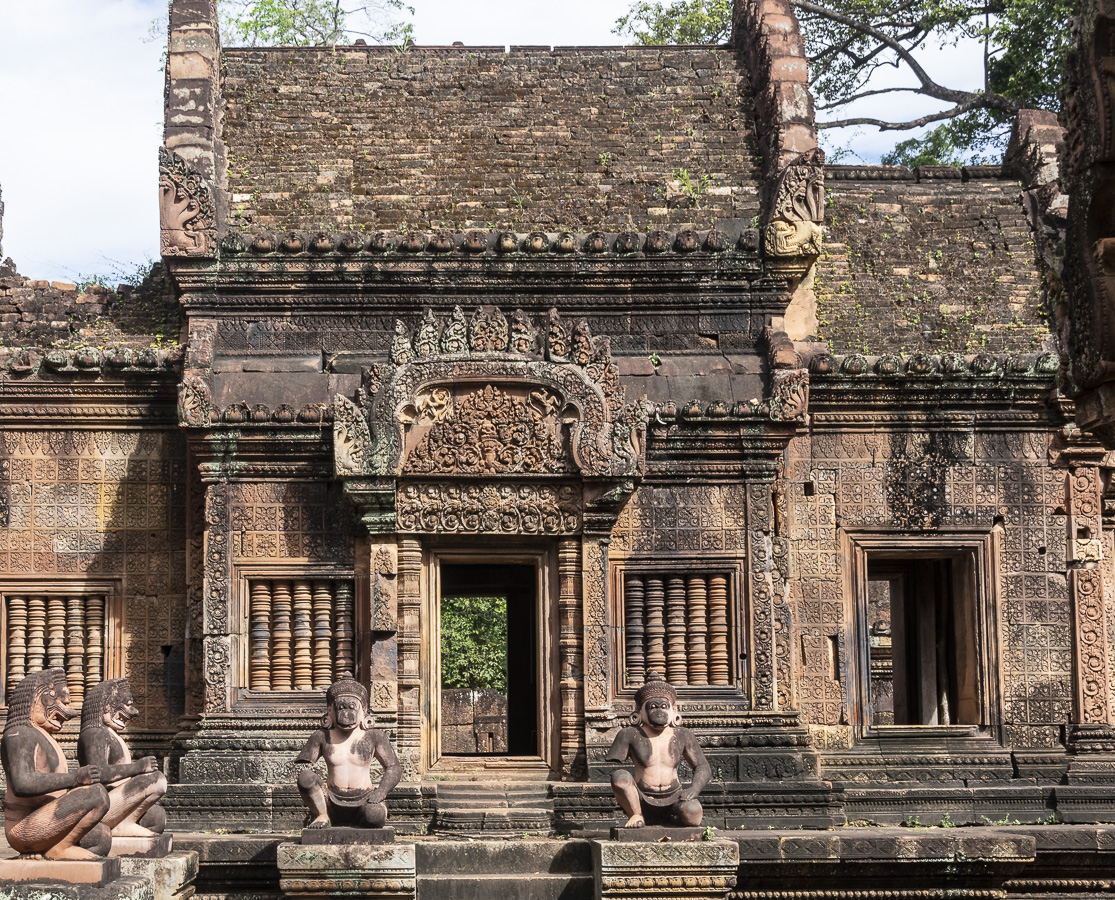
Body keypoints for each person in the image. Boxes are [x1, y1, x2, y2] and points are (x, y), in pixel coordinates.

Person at [2, 669, 112, 859]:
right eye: (57, 701)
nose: (66, 710)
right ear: (35, 700)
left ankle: (57, 846)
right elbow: (22, 783)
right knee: (96, 793)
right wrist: (75, 778)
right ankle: (57, 849)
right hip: (25, 824)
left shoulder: (43, 735)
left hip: (48, 819)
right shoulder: (19, 733)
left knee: (101, 837)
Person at [295, 673, 402, 828]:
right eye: (341, 707)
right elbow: (304, 772)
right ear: (330, 710)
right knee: (305, 778)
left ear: (363, 710)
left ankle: (361, 822)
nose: (346, 714)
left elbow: (393, 767)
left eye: (352, 707)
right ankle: (322, 815)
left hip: (365, 798)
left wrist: (382, 791)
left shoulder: (374, 737)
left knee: (375, 816)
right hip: (330, 800)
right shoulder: (321, 737)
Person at [606, 670, 711, 827]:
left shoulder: (682, 734)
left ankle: (671, 817)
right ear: (639, 713)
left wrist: (694, 789)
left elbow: (702, 766)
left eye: (664, 706)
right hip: (641, 797)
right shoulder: (629, 734)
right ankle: (637, 815)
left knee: (693, 815)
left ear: (672, 711)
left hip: (675, 796)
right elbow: (612, 770)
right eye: (653, 707)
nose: (659, 711)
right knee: (619, 777)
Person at [77, 679, 166, 839]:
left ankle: (123, 822)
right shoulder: (94, 733)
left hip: (117, 800)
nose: (134, 712)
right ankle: (122, 825)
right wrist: (137, 767)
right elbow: (99, 773)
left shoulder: (108, 733)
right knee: (157, 780)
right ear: (106, 706)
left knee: (156, 817)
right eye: (127, 705)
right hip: (102, 802)